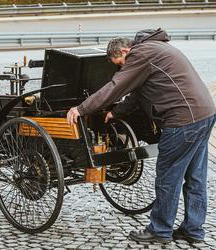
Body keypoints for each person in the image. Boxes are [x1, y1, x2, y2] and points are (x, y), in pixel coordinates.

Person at [67, 28, 216, 243]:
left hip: (183, 120)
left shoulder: (140, 54)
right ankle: (193, 230)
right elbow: (137, 94)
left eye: (120, 64)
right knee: (195, 176)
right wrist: (115, 112)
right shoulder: (157, 48)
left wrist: (81, 109)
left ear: (126, 51)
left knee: (168, 178)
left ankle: (160, 230)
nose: (122, 69)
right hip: (204, 113)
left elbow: (116, 87)